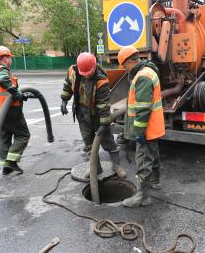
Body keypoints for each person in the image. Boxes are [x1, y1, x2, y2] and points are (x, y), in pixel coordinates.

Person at [60, 52, 126, 179]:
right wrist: (64, 100)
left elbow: (103, 105)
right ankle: (95, 168)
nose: (86, 75)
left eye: (88, 72)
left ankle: (117, 166)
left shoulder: (101, 80)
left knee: (108, 141)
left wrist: (104, 124)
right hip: (82, 113)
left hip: (97, 114)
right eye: (83, 73)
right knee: (89, 143)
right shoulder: (73, 71)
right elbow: (68, 85)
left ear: (94, 66)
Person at [117, 46, 165, 208]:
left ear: (131, 61)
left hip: (146, 128)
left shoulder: (143, 76)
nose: (125, 69)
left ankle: (142, 196)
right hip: (154, 126)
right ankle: (155, 181)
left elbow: (143, 107)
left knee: (143, 160)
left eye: (125, 66)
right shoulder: (148, 70)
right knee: (153, 154)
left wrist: (138, 132)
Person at [0, 46, 31, 175]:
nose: (10, 60)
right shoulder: (2, 70)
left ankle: (6, 167)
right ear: (5, 58)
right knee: (23, 135)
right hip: (9, 111)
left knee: (4, 138)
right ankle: (11, 161)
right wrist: (19, 94)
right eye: (9, 58)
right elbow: (4, 81)